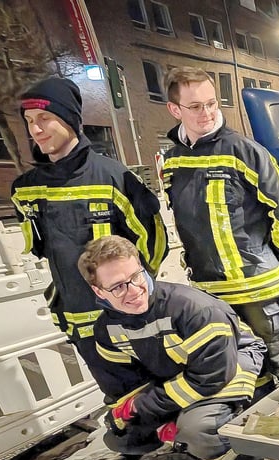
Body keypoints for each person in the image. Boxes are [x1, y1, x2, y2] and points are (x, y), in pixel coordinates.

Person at [78, 235, 269, 460]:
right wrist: (131, 415)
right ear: (99, 292)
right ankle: (184, 443)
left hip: (231, 363)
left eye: (136, 276)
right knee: (120, 435)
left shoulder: (194, 309)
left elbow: (209, 378)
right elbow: (127, 385)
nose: (133, 290)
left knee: (197, 430)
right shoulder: (106, 330)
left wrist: (151, 410)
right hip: (181, 374)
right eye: (118, 286)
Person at [11, 76, 168, 388]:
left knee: (157, 395)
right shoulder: (26, 189)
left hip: (127, 322)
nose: (36, 130)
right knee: (123, 406)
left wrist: (132, 298)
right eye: (30, 121)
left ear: (70, 118)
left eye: (45, 118)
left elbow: (153, 244)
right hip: (79, 323)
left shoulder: (115, 178)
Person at [161, 66, 279, 385]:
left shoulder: (243, 151)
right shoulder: (173, 160)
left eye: (212, 103)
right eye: (196, 106)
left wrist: (276, 254)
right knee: (238, 371)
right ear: (175, 109)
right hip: (210, 292)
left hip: (259, 290)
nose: (207, 113)